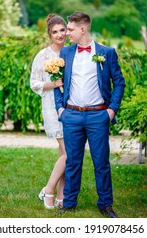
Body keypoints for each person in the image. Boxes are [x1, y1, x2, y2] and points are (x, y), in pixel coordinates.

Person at [54, 12, 125, 217]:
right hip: (72, 116)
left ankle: (105, 204)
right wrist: (61, 109)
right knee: (73, 161)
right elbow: (58, 82)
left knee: (101, 162)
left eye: (70, 29)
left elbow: (119, 82)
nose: (67, 33)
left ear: (82, 29)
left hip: (98, 116)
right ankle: (69, 203)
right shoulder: (66, 53)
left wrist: (111, 109)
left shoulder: (107, 52)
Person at [30, 14, 67, 209]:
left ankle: (61, 197)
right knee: (69, 154)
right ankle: (49, 190)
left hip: (72, 108)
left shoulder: (71, 52)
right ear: (49, 34)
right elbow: (34, 83)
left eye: (62, 30)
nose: (59, 35)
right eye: (55, 32)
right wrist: (52, 84)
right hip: (52, 107)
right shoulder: (43, 56)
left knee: (65, 153)